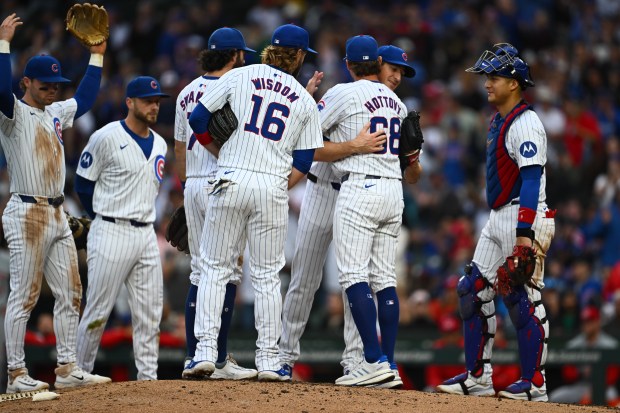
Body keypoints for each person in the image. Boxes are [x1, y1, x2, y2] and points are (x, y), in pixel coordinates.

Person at [184, 24, 324, 381]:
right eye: (303, 56)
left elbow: (198, 118)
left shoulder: (241, 75)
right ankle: (267, 361)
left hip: (229, 175)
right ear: (297, 57)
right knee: (265, 276)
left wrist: (219, 150)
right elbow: (305, 162)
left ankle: (203, 353)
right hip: (272, 186)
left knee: (214, 267)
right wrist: (280, 183)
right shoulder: (304, 99)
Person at [278, 44, 418, 388]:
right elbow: (303, 138)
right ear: (378, 64)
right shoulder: (357, 98)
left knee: (356, 280)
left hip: (357, 191)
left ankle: (358, 360)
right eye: (393, 69)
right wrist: (349, 143)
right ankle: (284, 358)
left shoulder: (388, 103)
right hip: (324, 189)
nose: (397, 77)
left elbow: (412, 171)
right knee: (305, 281)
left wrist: (412, 158)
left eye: (402, 73)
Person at [436, 43, 556, 401]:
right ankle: (478, 377)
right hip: (499, 216)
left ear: (515, 83)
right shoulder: (499, 119)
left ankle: (535, 384)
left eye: (494, 77)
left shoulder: (526, 122)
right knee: (471, 289)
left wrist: (523, 235)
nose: (487, 83)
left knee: (522, 296)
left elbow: (532, 179)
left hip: (526, 215)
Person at [0, 13, 111, 392]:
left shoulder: (55, 112)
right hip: (26, 210)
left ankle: (67, 368)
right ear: (26, 81)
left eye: (55, 84)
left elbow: (84, 97)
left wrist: (97, 56)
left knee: (71, 291)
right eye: (45, 84)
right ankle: (16, 374)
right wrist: (4, 44)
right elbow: (1, 90)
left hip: (57, 211)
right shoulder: (12, 112)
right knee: (25, 296)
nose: (52, 90)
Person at [174, 27, 258, 381]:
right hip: (222, 181)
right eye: (242, 54)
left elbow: (178, 148)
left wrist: (185, 191)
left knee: (200, 271)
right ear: (235, 55)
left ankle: (195, 355)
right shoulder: (236, 88)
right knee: (226, 273)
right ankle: (218, 357)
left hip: (193, 183)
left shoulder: (185, 92)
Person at [74, 76, 169, 381]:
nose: (154, 106)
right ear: (129, 102)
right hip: (111, 229)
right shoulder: (106, 136)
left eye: (156, 101)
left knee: (149, 314)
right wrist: (100, 217)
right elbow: (82, 183)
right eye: (147, 100)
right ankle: (78, 373)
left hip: (145, 233)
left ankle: (148, 380)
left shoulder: (161, 143)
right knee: (98, 311)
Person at [549, 305, 619, 405]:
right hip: (581, 385)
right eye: (585, 321)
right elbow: (567, 373)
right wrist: (580, 372)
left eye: (590, 321)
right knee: (555, 397)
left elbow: (613, 376)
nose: (587, 325)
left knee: (613, 397)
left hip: (604, 387)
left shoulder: (609, 344)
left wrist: (596, 377)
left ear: (598, 322)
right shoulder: (574, 344)